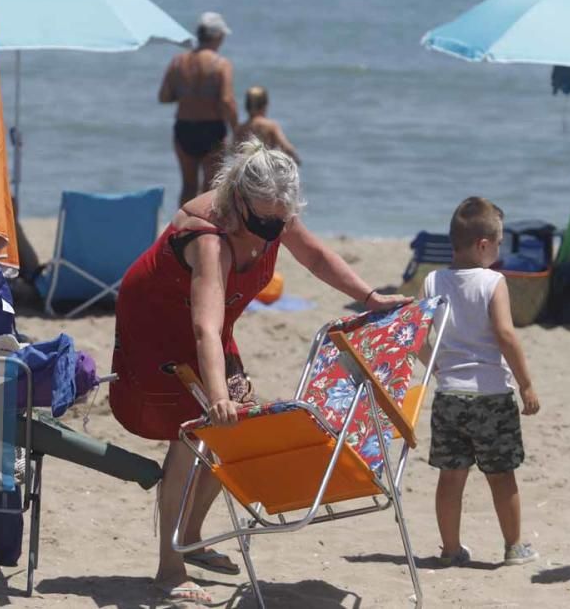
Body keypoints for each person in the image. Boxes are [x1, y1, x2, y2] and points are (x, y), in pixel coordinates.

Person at [109, 138, 410, 605]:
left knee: (238, 428)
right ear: (238, 200)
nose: (272, 229)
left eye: (280, 218)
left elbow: (314, 257)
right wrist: (216, 398)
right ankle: (169, 568)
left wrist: (370, 297)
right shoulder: (210, 238)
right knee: (193, 433)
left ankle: (192, 534)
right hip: (158, 324)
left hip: (209, 321)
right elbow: (203, 328)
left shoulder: (273, 216)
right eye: (263, 219)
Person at [421, 196, 541, 567]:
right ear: (483, 245)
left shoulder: (432, 280)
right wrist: (525, 383)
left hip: (449, 396)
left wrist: (436, 367)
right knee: (501, 475)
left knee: (451, 476)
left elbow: (415, 338)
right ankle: (514, 547)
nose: (500, 250)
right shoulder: (493, 282)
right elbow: (505, 334)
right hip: (491, 395)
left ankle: (451, 549)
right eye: (499, 243)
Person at [159, 12, 238, 207]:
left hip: (184, 127)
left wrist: (189, 95)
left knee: (188, 186)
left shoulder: (178, 62)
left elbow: (164, 96)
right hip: (212, 129)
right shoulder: (221, 65)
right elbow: (227, 100)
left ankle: (183, 233)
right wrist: (237, 129)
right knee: (210, 188)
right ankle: (206, 234)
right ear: (218, 36)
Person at [234, 86, 300, 165]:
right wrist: (296, 159)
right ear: (265, 105)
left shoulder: (240, 129)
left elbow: (234, 151)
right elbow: (286, 147)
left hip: (247, 168)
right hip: (266, 167)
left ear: (246, 106)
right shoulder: (270, 126)